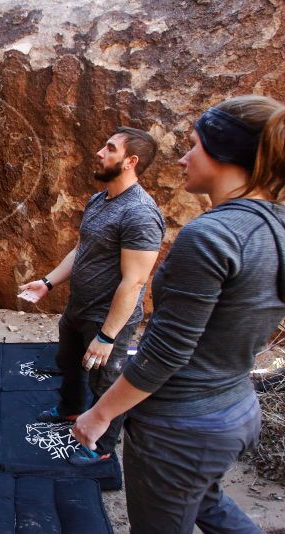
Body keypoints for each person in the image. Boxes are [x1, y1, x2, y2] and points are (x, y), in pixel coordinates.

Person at [72, 95, 285, 533]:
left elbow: (166, 352)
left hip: (182, 427)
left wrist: (99, 415)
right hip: (235, 408)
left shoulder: (212, 235)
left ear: (225, 155)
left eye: (195, 146)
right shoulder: (276, 227)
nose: (185, 158)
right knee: (206, 504)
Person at [19, 127, 165, 466]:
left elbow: (134, 282)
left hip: (107, 319)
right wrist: (48, 282)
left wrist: (107, 335)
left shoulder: (140, 214)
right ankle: (70, 412)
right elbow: (82, 250)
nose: (99, 152)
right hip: (79, 308)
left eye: (110, 148)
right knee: (68, 363)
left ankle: (100, 449)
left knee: (106, 382)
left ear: (131, 161)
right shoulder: (100, 199)